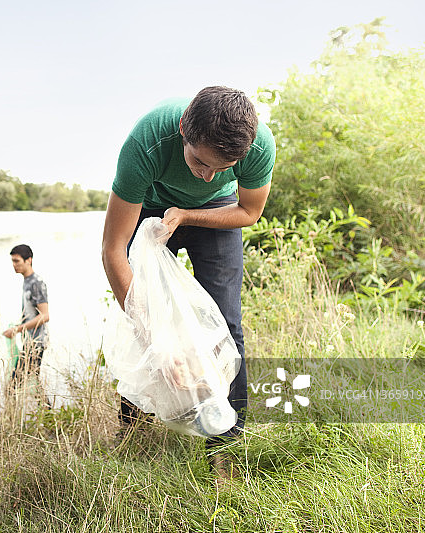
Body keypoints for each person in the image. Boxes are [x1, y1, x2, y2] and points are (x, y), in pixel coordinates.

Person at [101, 87, 276, 479]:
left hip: (217, 211)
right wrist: (157, 340)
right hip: (149, 206)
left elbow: (248, 211)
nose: (208, 175)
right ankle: (132, 432)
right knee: (142, 318)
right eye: (199, 162)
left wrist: (188, 214)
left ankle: (225, 446)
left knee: (227, 325)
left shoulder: (257, 145)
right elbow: (113, 250)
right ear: (183, 128)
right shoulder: (146, 142)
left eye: (223, 167)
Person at [2, 244, 50, 383]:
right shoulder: (27, 281)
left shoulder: (36, 283)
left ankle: (46, 405)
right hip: (30, 341)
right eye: (12, 261)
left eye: (17, 261)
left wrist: (17, 329)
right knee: (33, 383)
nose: (14, 265)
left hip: (36, 342)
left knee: (14, 385)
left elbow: (45, 315)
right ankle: (47, 405)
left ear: (28, 260)